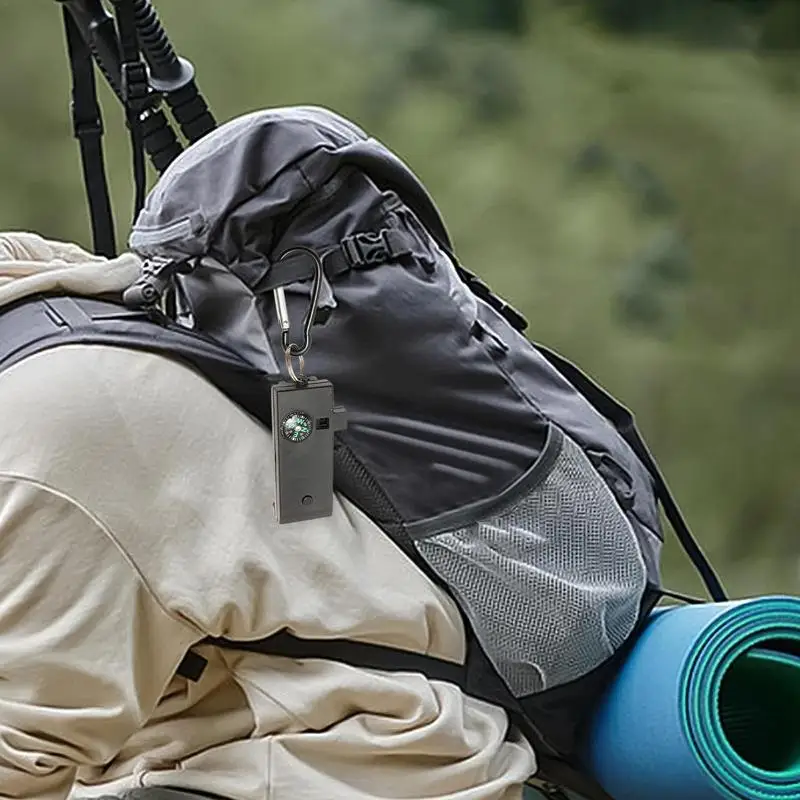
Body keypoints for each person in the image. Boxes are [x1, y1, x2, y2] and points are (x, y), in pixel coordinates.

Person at [0, 231, 536, 799]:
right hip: (245, 732)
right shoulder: (57, 312)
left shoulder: (40, 443)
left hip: (359, 753)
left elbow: (23, 763)